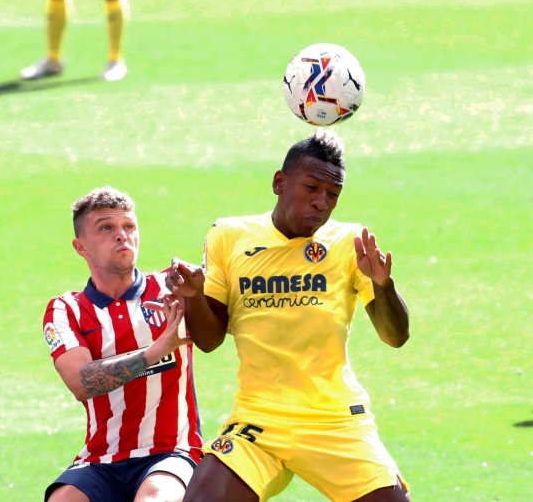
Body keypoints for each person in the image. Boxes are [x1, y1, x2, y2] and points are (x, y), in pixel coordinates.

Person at [167, 130, 411, 501]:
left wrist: (383, 285)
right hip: (259, 420)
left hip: (334, 420)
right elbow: (209, 340)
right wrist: (194, 296)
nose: (321, 203)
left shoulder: (351, 243)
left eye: (332, 194)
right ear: (279, 182)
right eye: (311, 187)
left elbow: (396, 337)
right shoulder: (229, 235)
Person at [41, 187, 202, 501]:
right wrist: (156, 351)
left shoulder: (172, 288)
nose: (121, 235)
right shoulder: (66, 309)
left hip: (171, 453)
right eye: (106, 228)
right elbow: (80, 382)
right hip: (100, 461)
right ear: (80, 247)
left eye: (129, 226)